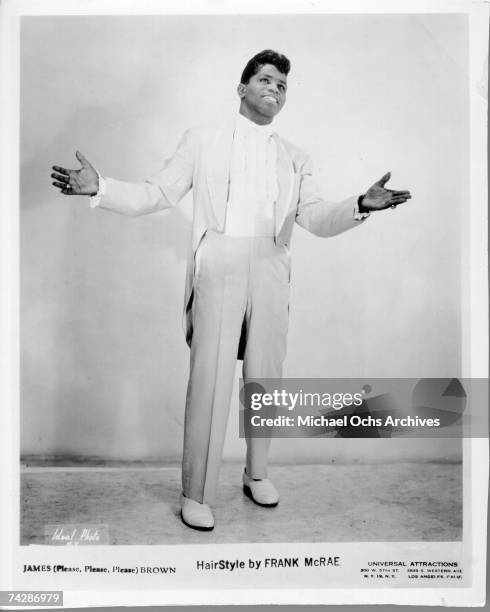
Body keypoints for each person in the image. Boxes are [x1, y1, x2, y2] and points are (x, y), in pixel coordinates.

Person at [51, 50, 411, 531]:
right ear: (242, 88)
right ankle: (196, 493)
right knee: (210, 379)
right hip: (219, 262)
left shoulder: (295, 156)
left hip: (271, 265)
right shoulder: (202, 141)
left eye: (282, 85)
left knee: (266, 378)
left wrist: (360, 205)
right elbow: (158, 192)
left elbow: (315, 217)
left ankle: (256, 474)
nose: (274, 89)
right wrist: (103, 188)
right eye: (265, 79)